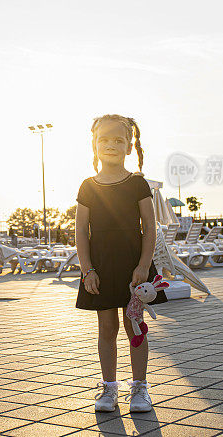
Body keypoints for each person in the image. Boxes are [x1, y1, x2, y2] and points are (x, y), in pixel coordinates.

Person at [75, 114, 167, 413]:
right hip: (100, 268)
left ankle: (140, 389)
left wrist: (143, 265)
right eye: (104, 139)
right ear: (94, 145)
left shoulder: (137, 184)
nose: (111, 145)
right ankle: (109, 389)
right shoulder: (88, 186)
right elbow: (80, 232)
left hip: (133, 268)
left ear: (129, 147)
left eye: (118, 140)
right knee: (106, 328)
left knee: (135, 326)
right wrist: (87, 269)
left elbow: (150, 229)